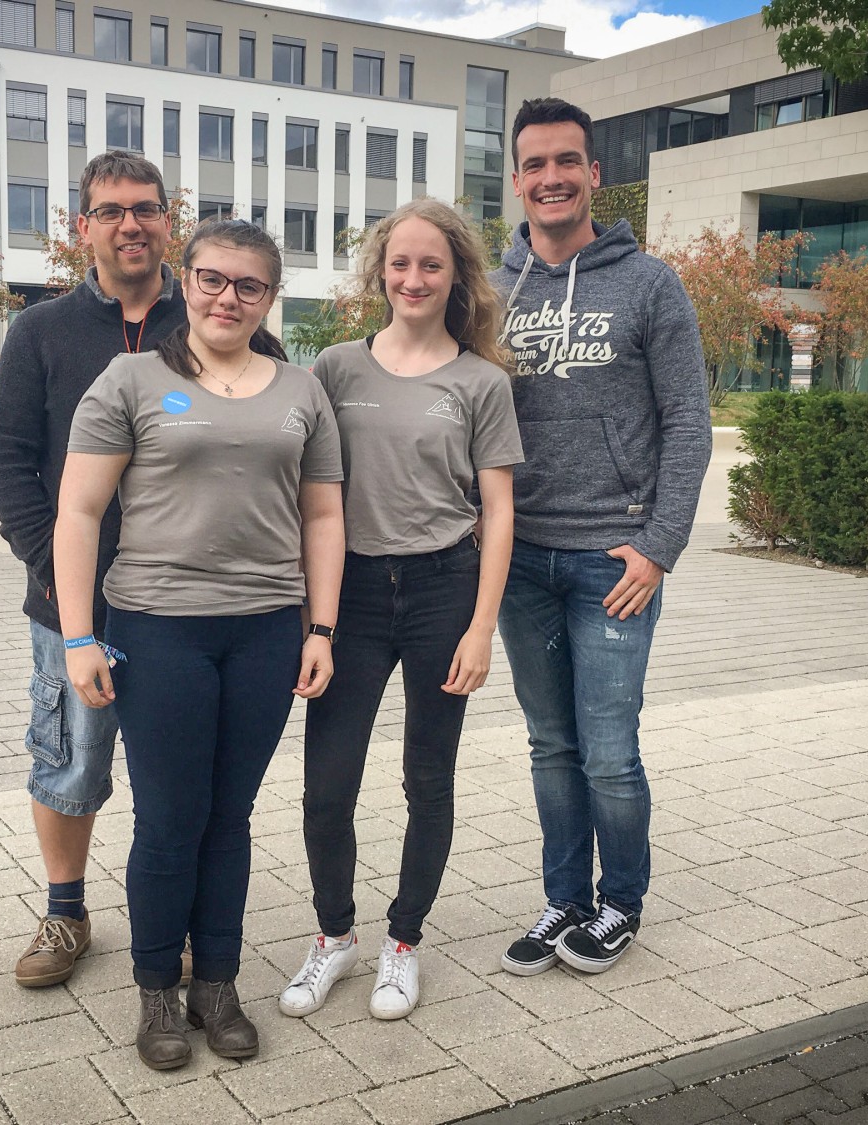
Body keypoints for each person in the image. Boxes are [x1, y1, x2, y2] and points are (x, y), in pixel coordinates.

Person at [55, 218, 345, 1070]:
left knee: (230, 817)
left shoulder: (301, 391)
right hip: (158, 628)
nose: (228, 297)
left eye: (248, 285)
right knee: (168, 820)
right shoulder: (132, 379)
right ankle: (157, 991)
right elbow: (79, 512)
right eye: (213, 279)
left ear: (270, 297)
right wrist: (79, 636)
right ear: (186, 282)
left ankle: (217, 983)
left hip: (264, 630)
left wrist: (321, 627)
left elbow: (325, 517)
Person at [278, 199, 522, 1022]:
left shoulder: (482, 381)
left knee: (428, 777)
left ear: (457, 277)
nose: (413, 278)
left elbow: (499, 511)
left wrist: (481, 628)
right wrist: (309, 616)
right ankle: (335, 935)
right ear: (380, 272)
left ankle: (404, 942)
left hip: (443, 590)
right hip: (349, 594)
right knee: (326, 785)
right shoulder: (336, 369)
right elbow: (308, 492)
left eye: (431, 265)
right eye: (400, 263)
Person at [491, 98, 711, 977]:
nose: (551, 178)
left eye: (566, 162)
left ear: (593, 173)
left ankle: (621, 901)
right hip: (519, 562)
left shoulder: (650, 284)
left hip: (614, 560)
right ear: (517, 179)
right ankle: (564, 900)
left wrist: (659, 547)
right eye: (535, 164)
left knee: (610, 750)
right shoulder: (492, 292)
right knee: (551, 744)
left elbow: (688, 421)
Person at [0, 152, 187, 991]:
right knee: (68, 763)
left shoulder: (211, 315)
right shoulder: (42, 331)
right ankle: (66, 914)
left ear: (169, 219)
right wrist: (58, 569)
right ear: (83, 227)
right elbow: (6, 461)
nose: (130, 224)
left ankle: (172, 919)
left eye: (145, 208)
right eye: (111, 211)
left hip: (183, 604)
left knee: (178, 774)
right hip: (71, 611)